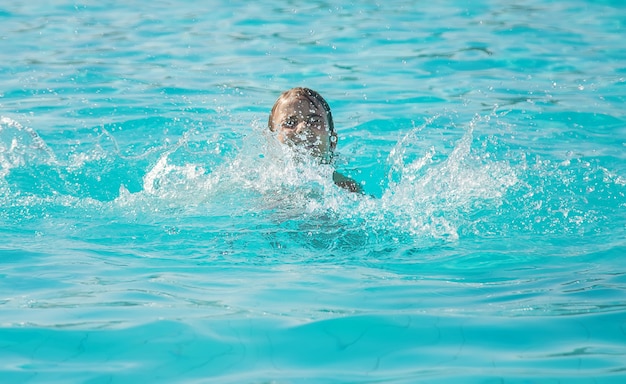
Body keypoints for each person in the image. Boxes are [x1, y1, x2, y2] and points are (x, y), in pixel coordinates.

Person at [268, 87, 363, 193]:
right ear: (271, 143)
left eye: (314, 120)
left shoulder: (346, 188)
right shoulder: (263, 186)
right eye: (290, 122)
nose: (303, 128)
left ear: (332, 141)